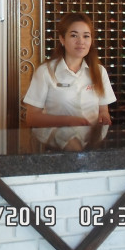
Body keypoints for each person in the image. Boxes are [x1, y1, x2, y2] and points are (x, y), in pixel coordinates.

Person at [23, 12, 116, 150]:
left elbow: (103, 110)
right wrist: (68, 121)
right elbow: (32, 118)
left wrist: (104, 116)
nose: (81, 41)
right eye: (74, 35)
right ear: (62, 39)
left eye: (86, 36)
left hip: (91, 139)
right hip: (57, 140)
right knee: (71, 143)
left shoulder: (99, 71)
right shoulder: (45, 71)